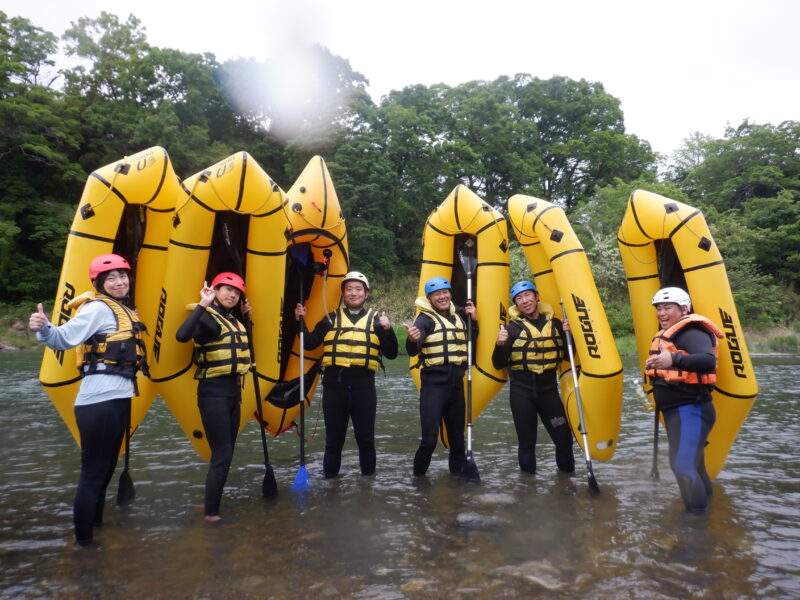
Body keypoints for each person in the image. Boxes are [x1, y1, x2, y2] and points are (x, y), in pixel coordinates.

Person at [28, 253, 148, 548]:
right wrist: (43, 327)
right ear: (99, 283)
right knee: (93, 474)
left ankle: (95, 526)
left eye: (123, 276)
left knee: (106, 469)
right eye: (112, 278)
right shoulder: (97, 308)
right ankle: (84, 545)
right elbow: (62, 339)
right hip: (98, 402)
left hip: (118, 399)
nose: (120, 282)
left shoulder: (123, 310)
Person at [294, 271, 398, 478]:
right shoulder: (330, 318)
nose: (353, 293)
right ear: (343, 294)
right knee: (333, 441)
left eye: (358, 289)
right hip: (334, 388)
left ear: (366, 294)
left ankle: (368, 486)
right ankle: (330, 486)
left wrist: (388, 330)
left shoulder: (378, 321)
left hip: (364, 388)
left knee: (366, 440)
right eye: (349, 289)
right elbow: (311, 343)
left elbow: (392, 353)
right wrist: (300, 321)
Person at [175, 272, 251, 524]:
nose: (231, 295)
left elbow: (240, 347)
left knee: (226, 452)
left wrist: (248, 319)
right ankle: (211, 515)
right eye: (226, 289)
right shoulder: (206, 318)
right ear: (215, 291)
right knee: (223, 454)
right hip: (213, 394)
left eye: (236, 292)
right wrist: (202, 304)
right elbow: (182, 336)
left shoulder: (235, 321)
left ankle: (210, 504)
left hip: (233, 394)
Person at [645, 286, 723, 512]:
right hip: (678, 411)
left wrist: (674, 360)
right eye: (659, 308)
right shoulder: (671, 333)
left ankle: (695, 530)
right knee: (694, 467)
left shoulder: (692, 331)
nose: (661, 313)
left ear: (684, 308)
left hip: (691, 410)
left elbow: (708, 361)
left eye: (668, 307)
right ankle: (711, 514)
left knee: (682, 467)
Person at [492, 280, 575, 476]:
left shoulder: (556, 324)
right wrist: (498, 344)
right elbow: (498, 363)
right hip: (522, 394)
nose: (525, 301)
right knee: (527, 442)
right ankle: (528, 490)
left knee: (563, 439)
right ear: (516, 305)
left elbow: (568, 355)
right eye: (519, 298)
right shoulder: (511, 329)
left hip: (549, 394)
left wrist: (569, 334)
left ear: (537, 297)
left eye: (528, 295)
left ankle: (567, 483)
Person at [404, 276, 477, 478]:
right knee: (429, 440)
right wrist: (412, 340)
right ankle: (418, 480)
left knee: (457, 439)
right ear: (430, 298)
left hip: (456, 387)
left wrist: (475, 320)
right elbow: (412, 350)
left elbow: (472, 341)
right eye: (437, 294)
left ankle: (458, 481)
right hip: (433, 388)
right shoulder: (424, 320)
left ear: (450, 294)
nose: (442, 297)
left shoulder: (460, 316)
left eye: (445, 292)